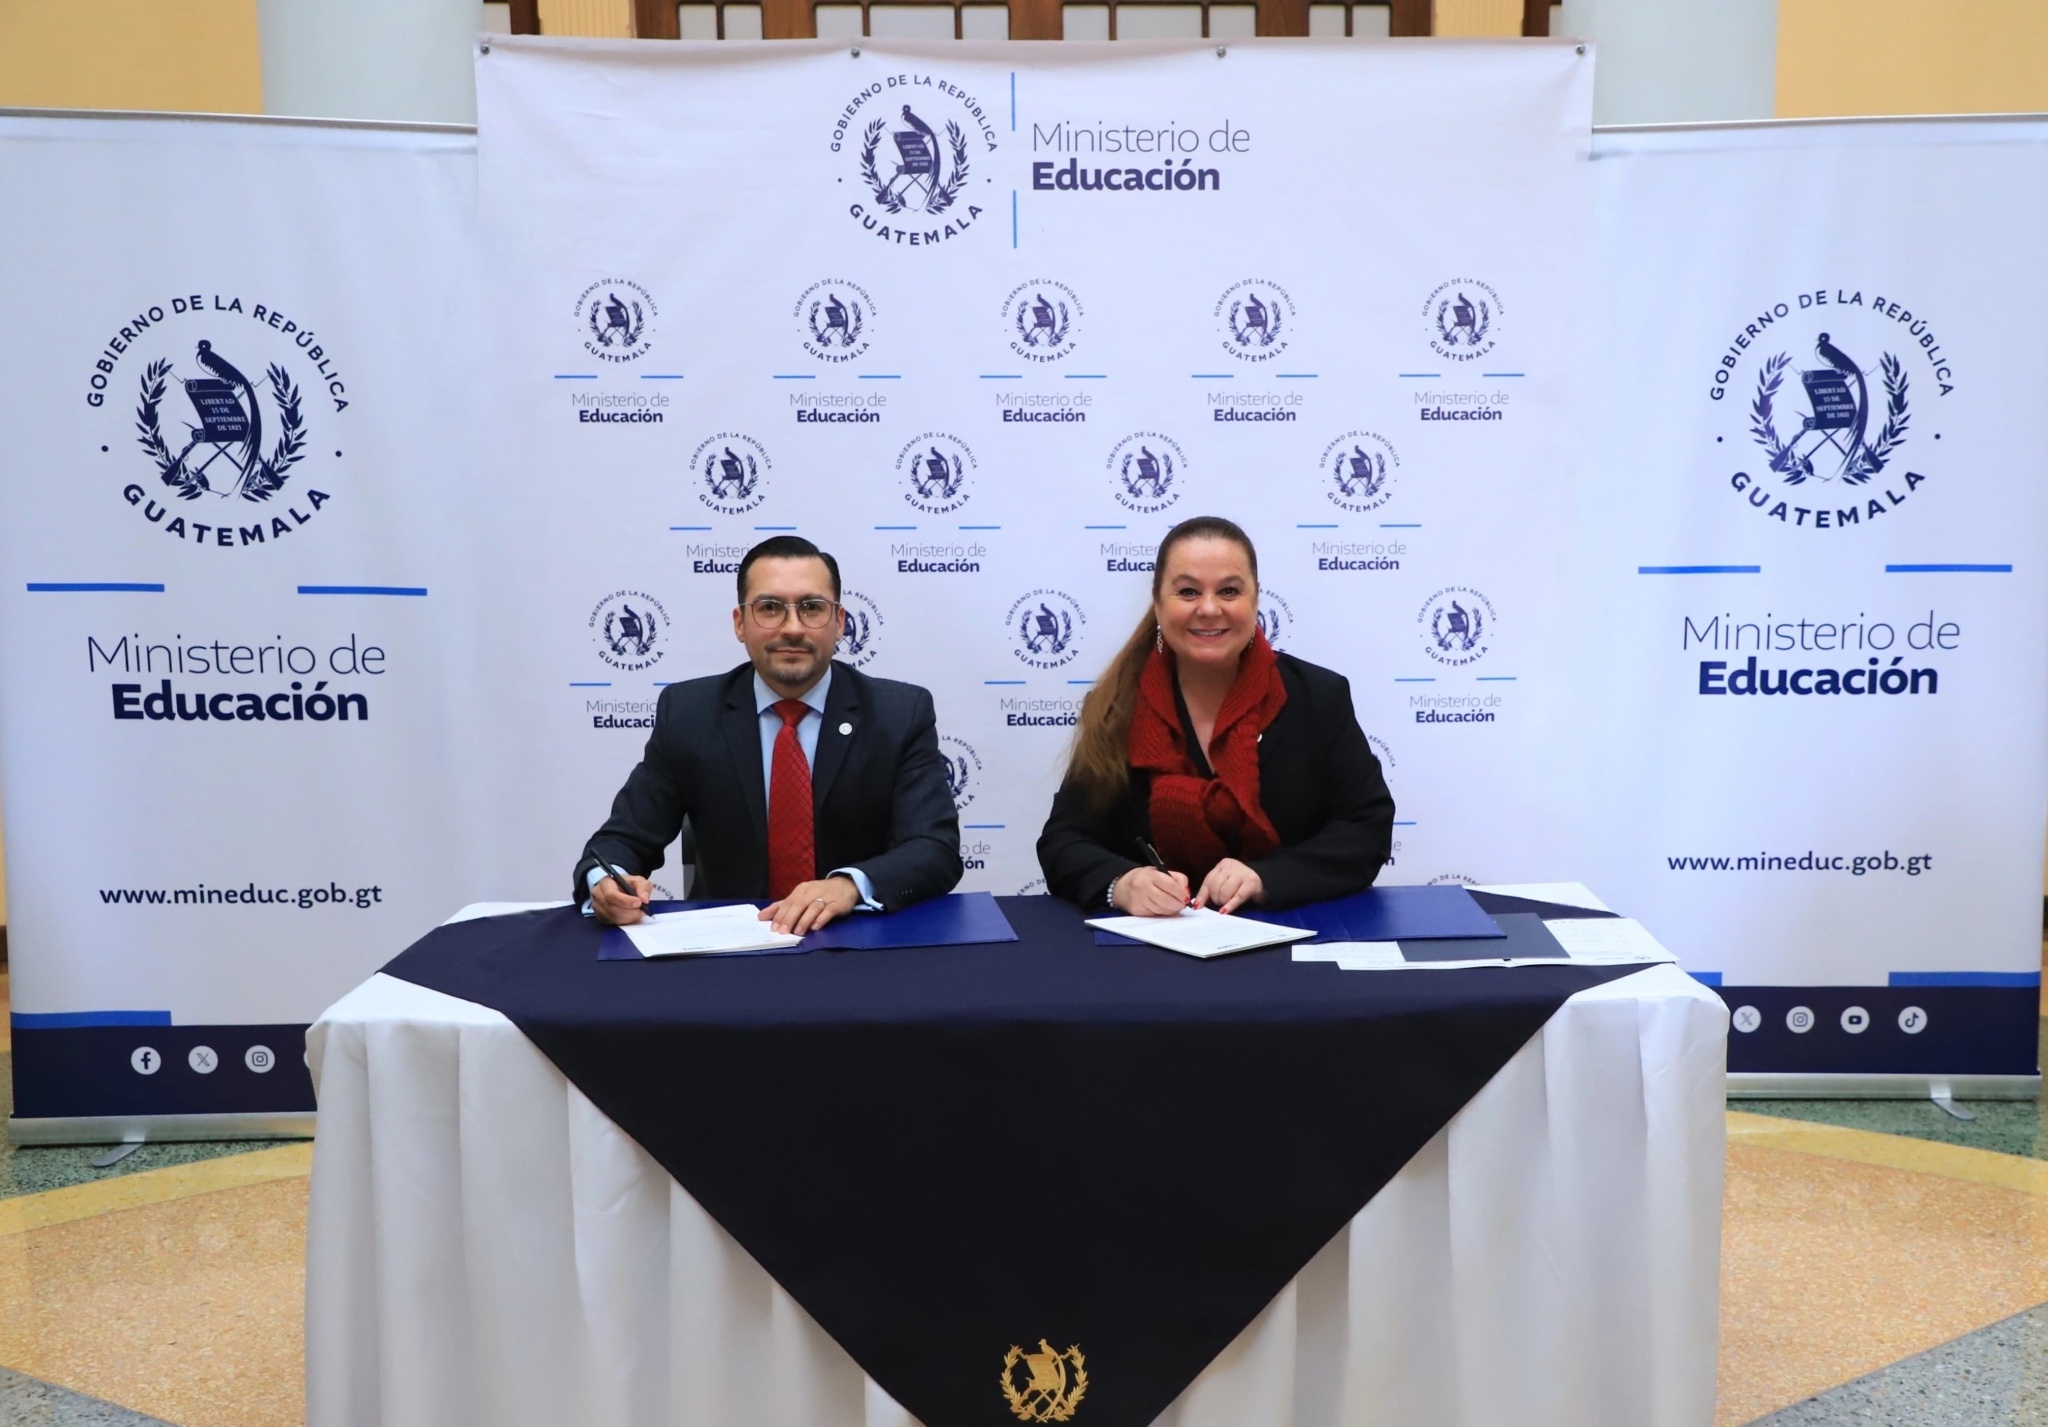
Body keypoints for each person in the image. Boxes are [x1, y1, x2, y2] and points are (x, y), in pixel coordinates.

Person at [576, 535, 961, 933]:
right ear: (740, 624)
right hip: (730, 944)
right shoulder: (688, 714)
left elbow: (935, 849)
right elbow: (623, 839)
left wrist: (848, 886)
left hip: (857, 937)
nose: (792, 628)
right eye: (770, 608)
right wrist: (607, 882)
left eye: (812, 608)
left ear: (839, 623)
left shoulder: (899, 714)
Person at [1037, 516, 1394, 916]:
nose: (1209, 608)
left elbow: (1367, 829)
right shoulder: (1116, 707)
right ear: (1158, 603)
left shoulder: (1319, 697)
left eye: (1229, 591)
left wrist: (1268, 877)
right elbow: (1063, 841)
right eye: (1188, 591)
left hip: (1293, 936)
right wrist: (1122, 884)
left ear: (1255, 599)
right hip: (1149, 943)